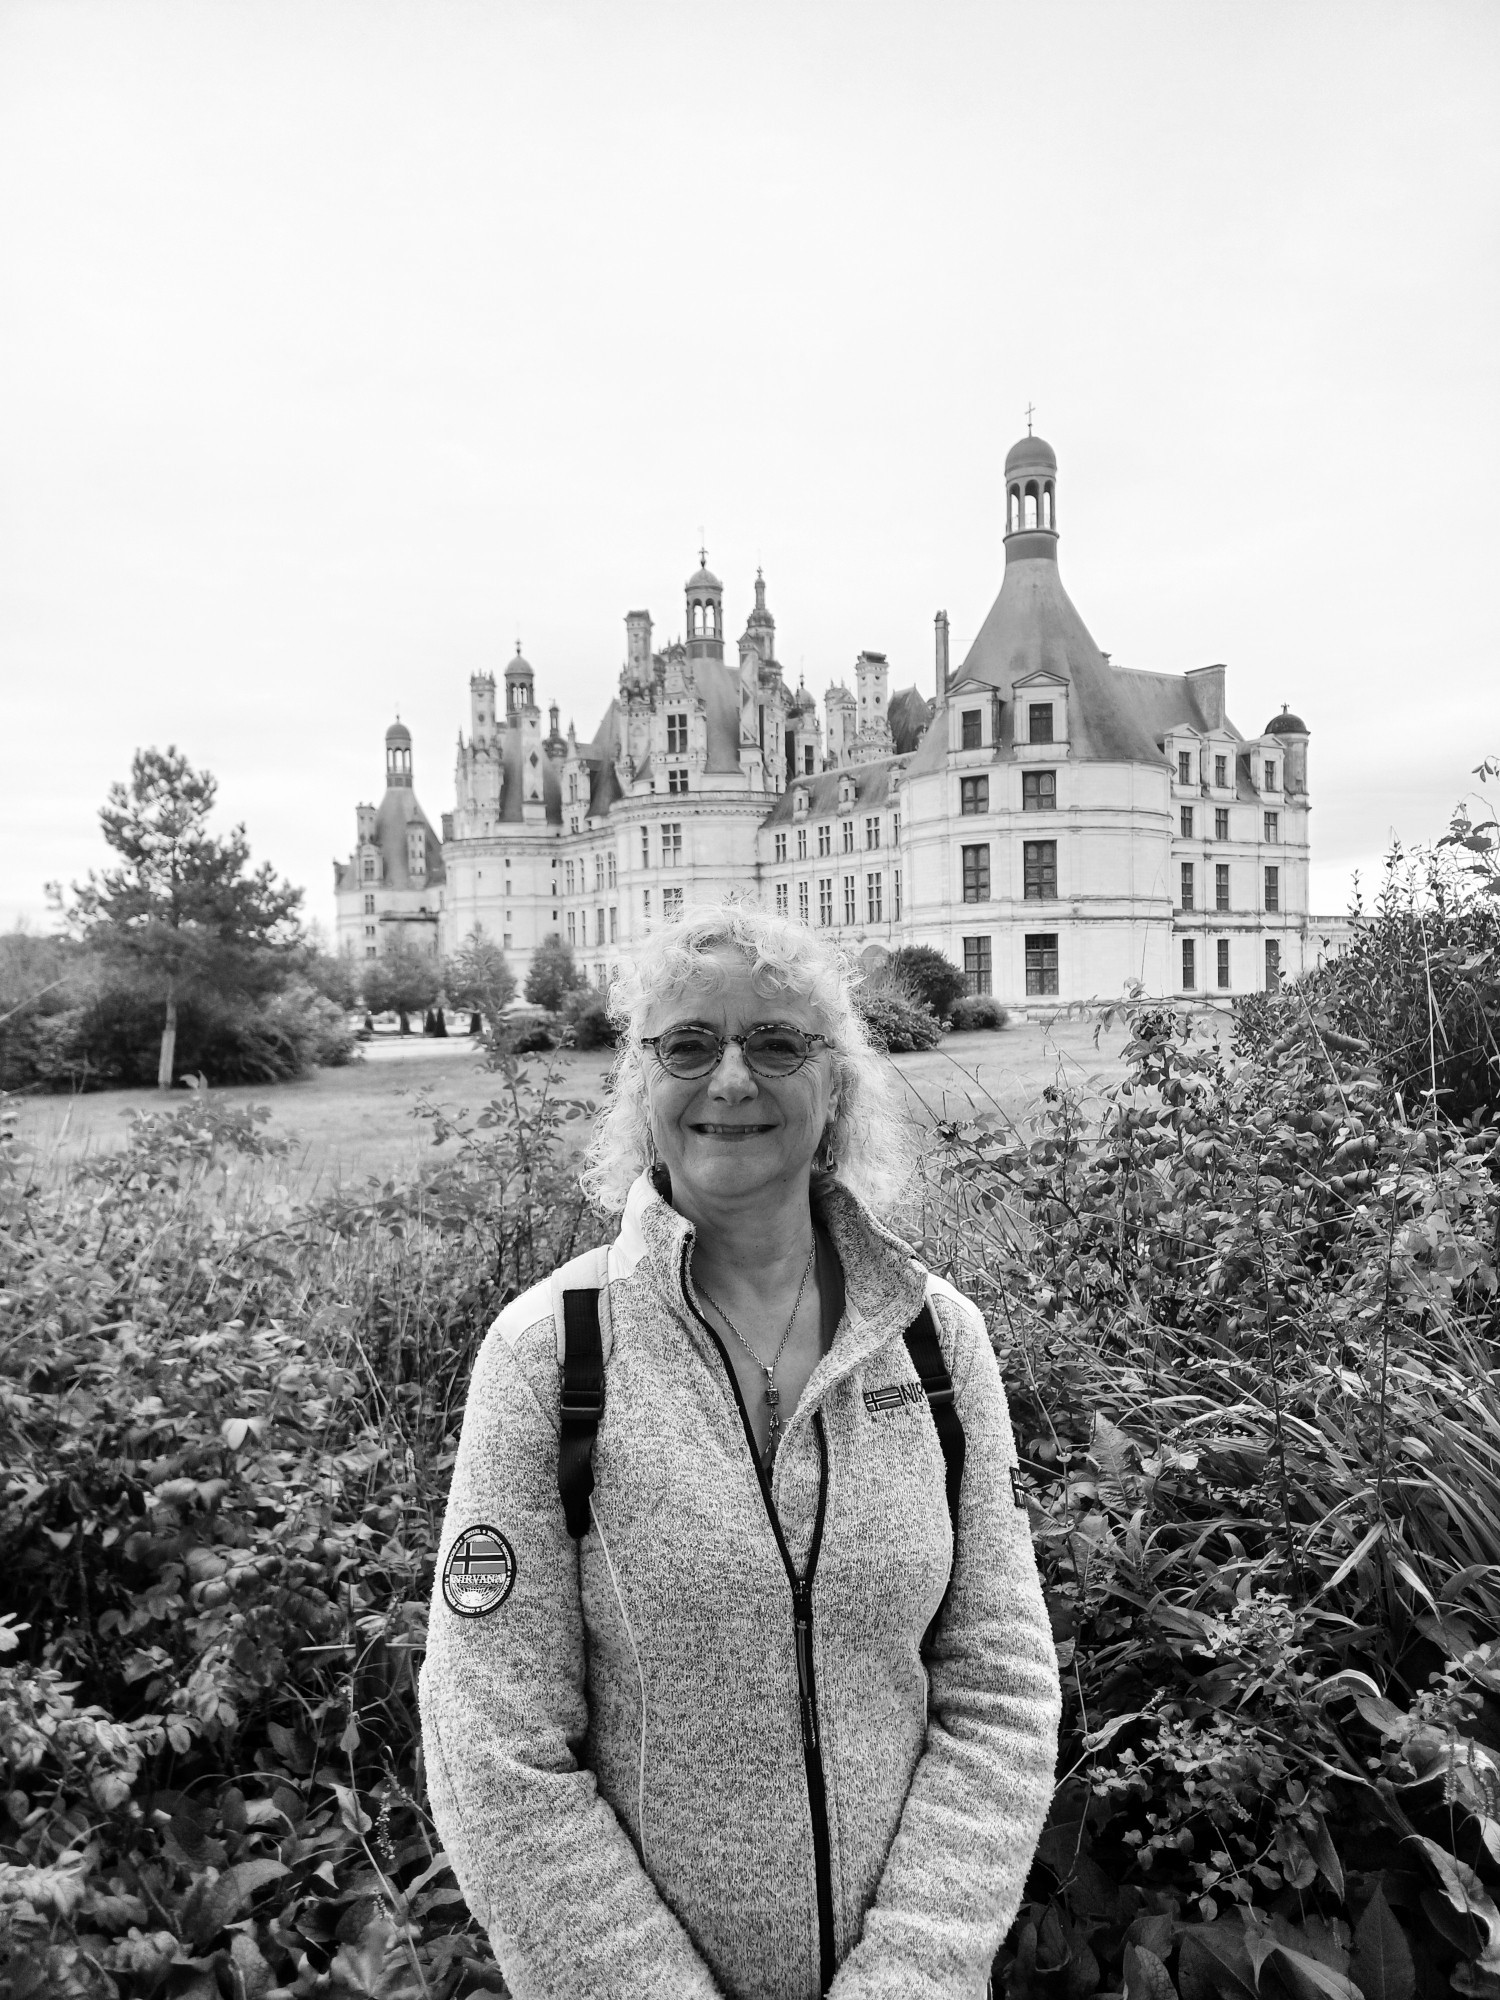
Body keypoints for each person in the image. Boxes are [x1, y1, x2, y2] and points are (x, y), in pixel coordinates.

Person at [419, 904, 1060, 1999]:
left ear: (837, 1080)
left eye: (775, 1042)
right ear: (641, 1079)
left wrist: (912, 1973)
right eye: (688, 1044)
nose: (730, 1080)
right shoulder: (548, 1354)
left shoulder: (936, 1336)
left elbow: (1001, 1683)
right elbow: (492, 1746)